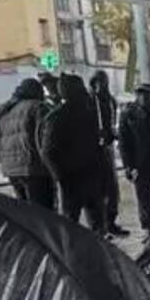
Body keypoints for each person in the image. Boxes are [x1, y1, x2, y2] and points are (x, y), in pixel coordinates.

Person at [39, 73, 107, 232]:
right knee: (72, 223)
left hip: (88, 174)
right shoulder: (58, 117)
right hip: (73, 177)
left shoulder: (86, 112)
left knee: (91, 221)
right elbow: (48, 151)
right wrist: (61, 176)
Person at [0, 78, 55, 209]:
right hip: (33, 168)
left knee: (26, 212)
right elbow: (47, 137)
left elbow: (0, 141)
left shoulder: (5, 111)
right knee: (43, 213)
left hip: (11, 170)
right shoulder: (38, 107)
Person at [118, 84, 150, 231]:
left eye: (146, 93)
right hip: (139, 162)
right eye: (140, 93)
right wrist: (128, 165)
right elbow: (123, 141)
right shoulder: (129, 113)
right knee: (143, 197)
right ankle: (147, 228)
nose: (143, 97)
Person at [88, 71, 128, 237]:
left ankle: (110, 222)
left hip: (107, 148)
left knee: (112, 189)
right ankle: (99, 226)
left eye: (105, 82)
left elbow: (111, 122)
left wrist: (113, 133)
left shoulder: (110, 100)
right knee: (98, 190)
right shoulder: (90, 100)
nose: (104, 85)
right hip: (94, 150)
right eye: (100, 82)